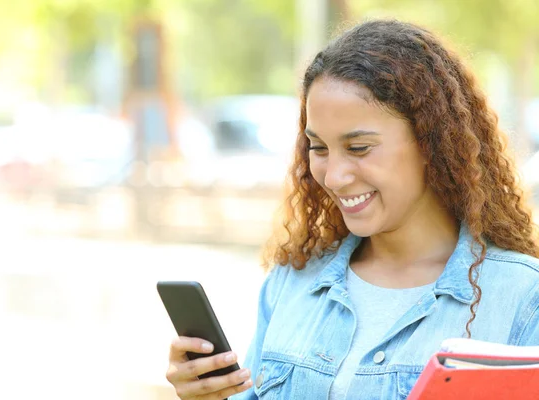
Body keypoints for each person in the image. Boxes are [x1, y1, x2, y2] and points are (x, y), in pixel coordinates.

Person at [165, 19, 539, 399]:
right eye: (319, 148)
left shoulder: (522, 297)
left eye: (358, 148)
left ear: (432, 143)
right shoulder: (292, 283)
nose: (335, 177)